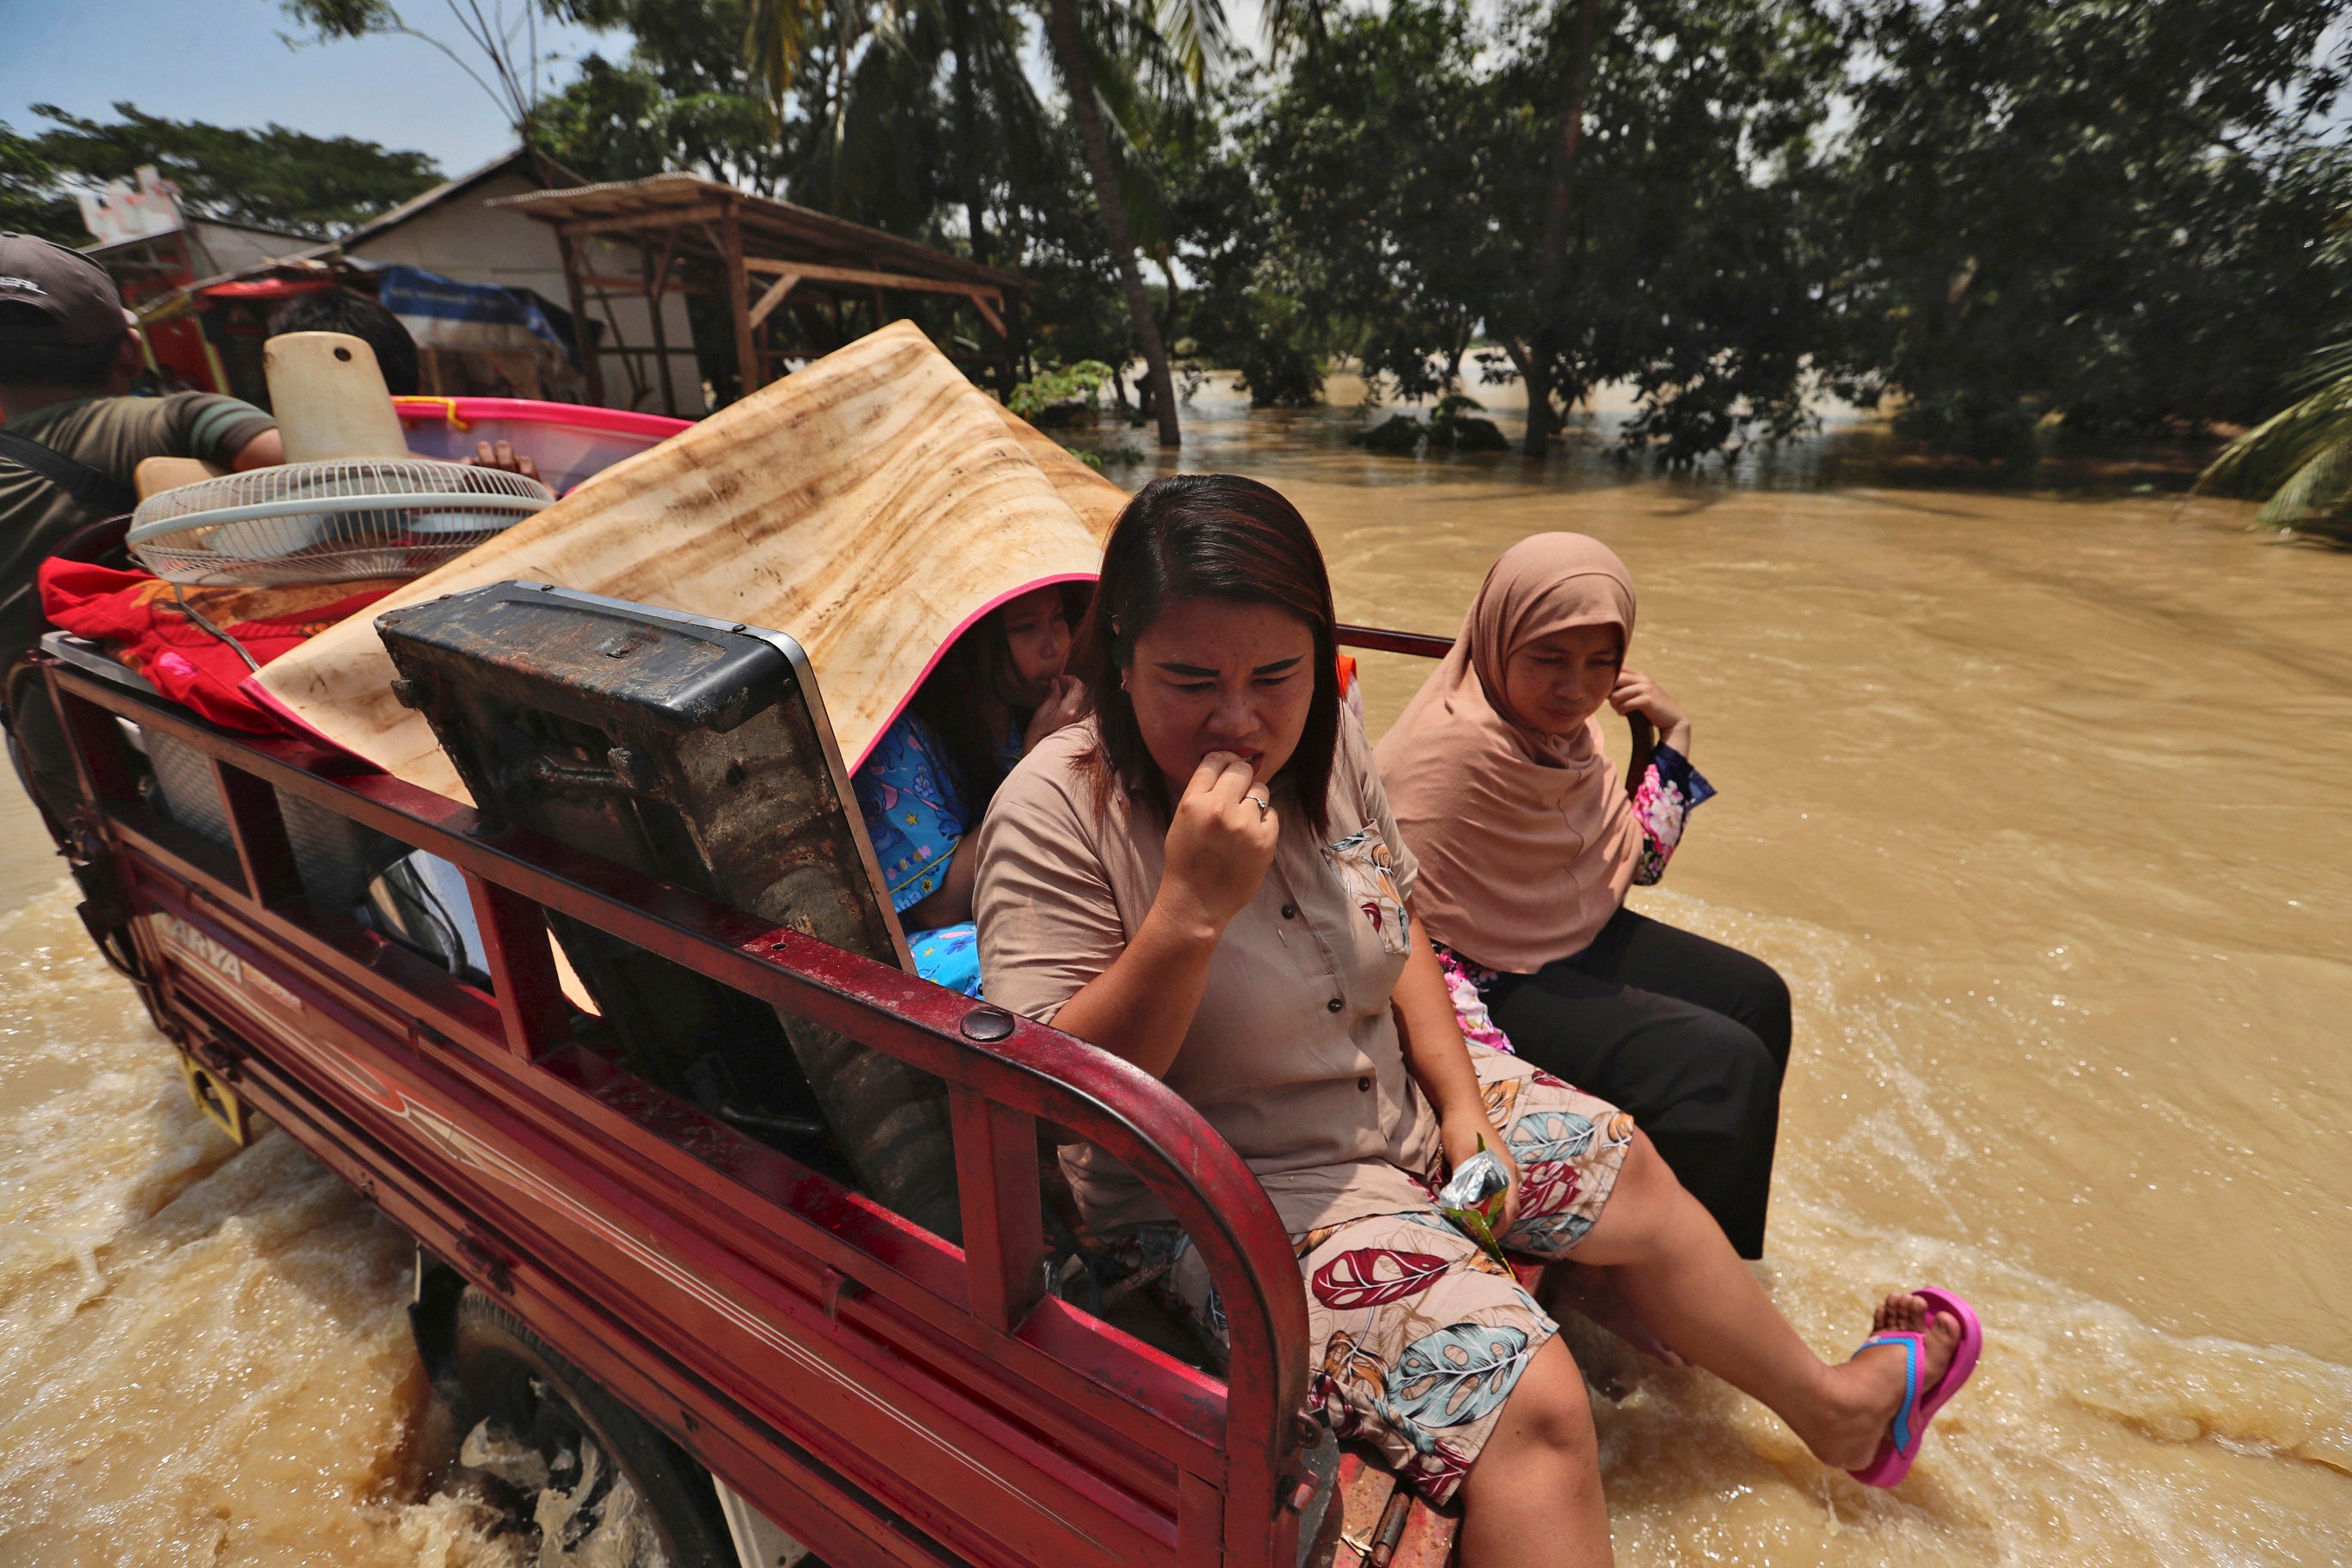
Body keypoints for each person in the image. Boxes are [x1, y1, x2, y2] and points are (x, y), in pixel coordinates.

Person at [972, 475, 1977, 1568]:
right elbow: (1066, 1101)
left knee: (1625, 1159)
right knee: (1535, 1405)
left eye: (1277, 676)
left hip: (1385, 1101)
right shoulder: (1054, 812)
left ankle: (1834, 1414)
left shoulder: (1326, 749)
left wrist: (1462, 1109)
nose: (1242, 719)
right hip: (1225, 1197)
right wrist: (1186, 915)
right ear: (1116, 658)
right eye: (1190, 681)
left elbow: (1394, 914)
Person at [1375, 534, 1792, 1259]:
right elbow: (1389, 929)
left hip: (1558, 935)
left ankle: (1708, 1255)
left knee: (1760, 996)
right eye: (1549, 660)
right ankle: (1671, 1268)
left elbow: (1642, 862)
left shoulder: (1569, 741)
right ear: (1498, 639)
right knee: (1721, 1062)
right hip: (1470, 980)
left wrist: (1677, 736)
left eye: (1602, 662)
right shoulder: (1445, 756)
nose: (1577, 689)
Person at [1, 232, 284, 671]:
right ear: (131, 351)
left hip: (40, 725)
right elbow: (349, 476)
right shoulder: (177, 419)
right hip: (194, 720)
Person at [853, 582, 1089, 995]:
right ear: (970, 647)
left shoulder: (1036, 709)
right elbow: (939, 907)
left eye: (1057, 618)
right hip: (939, 939)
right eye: (1026, 628)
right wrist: (1034, 762)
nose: (1055, 646)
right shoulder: (899, 744)